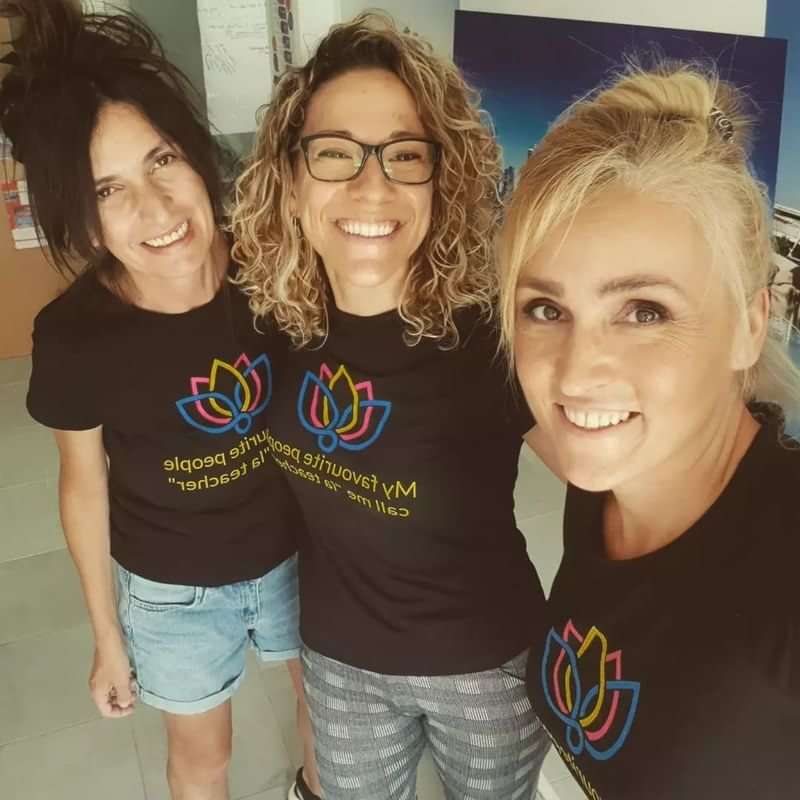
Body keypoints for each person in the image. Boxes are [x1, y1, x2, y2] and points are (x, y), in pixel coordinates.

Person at [0, 2, 319, 798]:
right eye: (108, 188)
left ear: (197, 157)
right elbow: (84, 483)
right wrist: (107, 637)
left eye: (162, 160)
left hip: (301, 554)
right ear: (81, 213)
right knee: (201, 757)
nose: (155, 208)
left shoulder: (275, 271)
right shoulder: (74, 336)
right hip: (175, 590)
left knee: (328, 718)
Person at [230, 13, 551, 800]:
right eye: (335, 154)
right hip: (339, 663)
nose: (371, 186)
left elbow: (627, 491)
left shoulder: (492, 339)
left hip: (485, 668)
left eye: (404, 156)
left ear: (442, 181)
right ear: (292, 177)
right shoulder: (270, 324)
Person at [497, 61, 800, 799]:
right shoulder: (602, 482)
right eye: (546, 308)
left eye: (644, 311)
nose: (575, 373)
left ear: (750, 323)